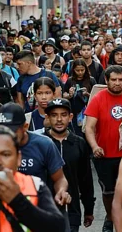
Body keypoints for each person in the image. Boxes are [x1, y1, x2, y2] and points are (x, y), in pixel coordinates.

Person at [84, 65, 122, 232]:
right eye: (113, 80)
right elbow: (89, 127)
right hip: (105, 155)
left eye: (120, 80)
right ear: (106, 80)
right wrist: (95, 146)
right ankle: (110, 218)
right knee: (108, 191)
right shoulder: (98, 98)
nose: (117, 83)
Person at [44, 98, 95, 232]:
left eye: (64, 115)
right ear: (47, 118)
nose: (59, 119)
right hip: (44, 210)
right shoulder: (41, 143)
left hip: (71, 211)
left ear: (70, 117)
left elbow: (86, 180)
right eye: (54, 115)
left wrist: (89, 209)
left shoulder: (79, 143)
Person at [63, 59, 96, 137]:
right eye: (78, 70)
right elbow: (64, 94)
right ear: (74, 70)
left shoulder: (91, 80)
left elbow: (96, 95)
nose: (80, 72)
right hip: (74, 112)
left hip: (88, 112)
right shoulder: (70, 80)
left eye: (82, 70)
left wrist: (87, 94)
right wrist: (70, 95)